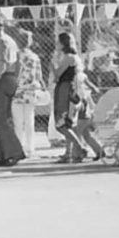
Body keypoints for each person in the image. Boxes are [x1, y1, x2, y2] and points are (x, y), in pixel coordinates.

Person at [0, 12, 25, 166]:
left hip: (3, 79)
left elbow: (2, 64)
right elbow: (18, 62)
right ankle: (2, 155)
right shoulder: (11, 40)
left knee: (1, 118)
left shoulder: (1, 41)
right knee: (4, 118)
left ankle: (15, 152)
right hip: (11, 78)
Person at [50, 32, 87, 163]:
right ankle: (68, 153)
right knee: (69, 123)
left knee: (61, 124)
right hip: (70, 89)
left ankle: (79, 147)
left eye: (58, 42)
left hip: (64, 90)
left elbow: (57, 75)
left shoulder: (68, 58)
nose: (56, 44)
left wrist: (53, 65)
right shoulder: (75, 57)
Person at [12, 30, 44, 158]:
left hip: (18, 90)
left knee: (18, 122)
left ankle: (18, 147)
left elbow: (15, 72)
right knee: (29, 121)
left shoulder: (16, 55)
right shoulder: (35, 57)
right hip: (31, 90)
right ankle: (30, 148)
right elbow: (39, 75)